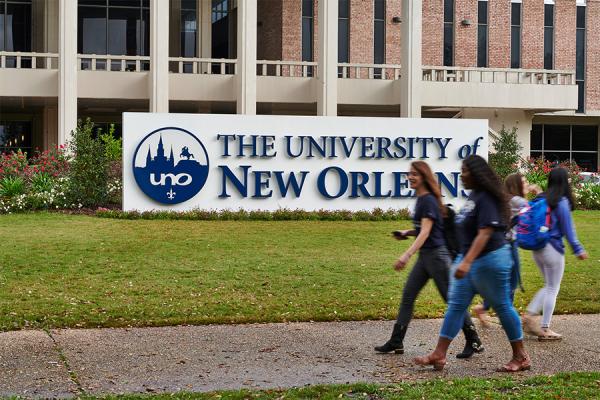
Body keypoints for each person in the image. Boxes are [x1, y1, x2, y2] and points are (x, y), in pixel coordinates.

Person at [414, 155, 530, 372]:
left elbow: (485, 232)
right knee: (456, 306)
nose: (461, 175)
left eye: (465, 171)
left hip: (490, 259)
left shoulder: (485, 197)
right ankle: (439, 354)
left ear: (477, 174)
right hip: (469, 259)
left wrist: (466, 262)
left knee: (502, 306)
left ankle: (521, 356)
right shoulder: (475, 197)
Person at [375, 161, 483, 359]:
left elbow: (425, 232)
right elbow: (426, 228)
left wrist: (406, 254)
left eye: (414, 174)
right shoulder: (423, 199)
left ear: (424, 176)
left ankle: (473, 339)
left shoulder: (428, 201)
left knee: (452, 301)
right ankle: (397, 340)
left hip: (437, 257)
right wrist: (406, 232)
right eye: (409, 174)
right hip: (426, 257)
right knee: (408, 296)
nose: (410, 177)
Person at [522, 167, 588, 340]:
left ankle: (534, 319)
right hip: (552, 249)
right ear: (564, 181)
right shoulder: (561, 202)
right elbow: (568, 230)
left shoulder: (541, 198)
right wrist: (578, 249)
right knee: (552, 287)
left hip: (537, 247)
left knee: (548, 285)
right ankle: (541, 325)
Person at [472, 173, 528, 326]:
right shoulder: (517, 200)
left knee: (502, 280)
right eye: (524, 181)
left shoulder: (506, 199)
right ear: (516, 185)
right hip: (509, 244)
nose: (527, 183)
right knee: (512, 280)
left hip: (501, 244)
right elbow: (532, 209)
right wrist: (538, 193)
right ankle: (505, 316)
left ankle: (484, 307)